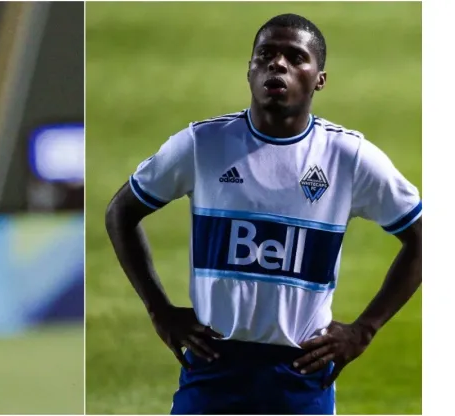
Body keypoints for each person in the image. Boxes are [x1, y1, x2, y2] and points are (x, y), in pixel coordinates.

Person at [104, 13, 422, 415]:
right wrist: (159, 309)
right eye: (266, 55)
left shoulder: (348, 158)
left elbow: (423, 237)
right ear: (250, 69)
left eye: (295, 57)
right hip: (214, 367)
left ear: (319, 78)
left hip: (300, 373)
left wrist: (364, 330)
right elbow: (121, 212)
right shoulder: (203, 145)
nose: (278, 64)